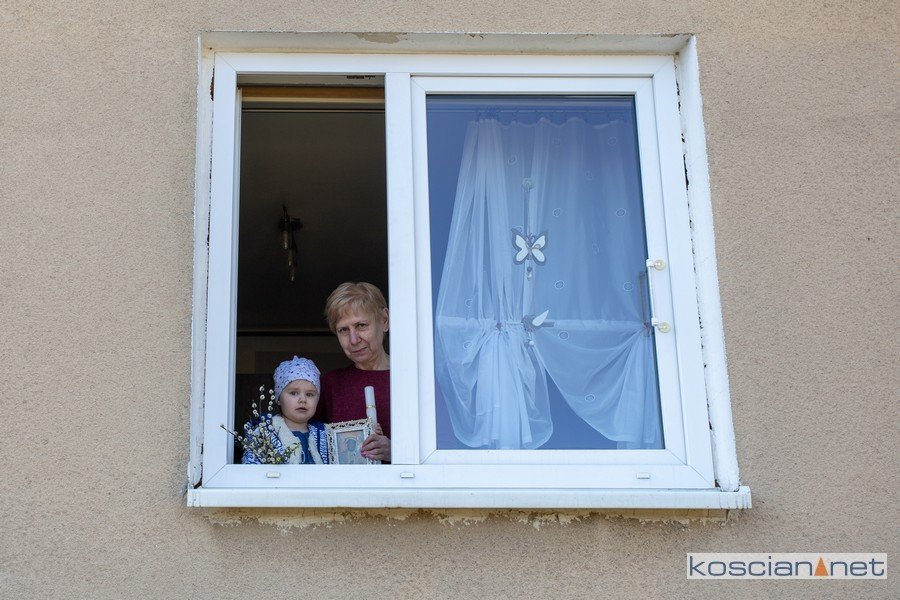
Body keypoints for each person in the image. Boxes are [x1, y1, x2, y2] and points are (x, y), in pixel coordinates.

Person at [321, 282, 392, 462]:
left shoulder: (413, 378)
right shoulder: (330, 384)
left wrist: (396, 451)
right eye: (344, 330)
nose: (353, 340)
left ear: (384, 320)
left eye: (361, 325)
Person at [242, 356, 329, 464]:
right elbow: (251, 468)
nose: (303, 399)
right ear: (278, 398)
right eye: (293, 393)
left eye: (309, 394)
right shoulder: (264, 433)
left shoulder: (324, 435)